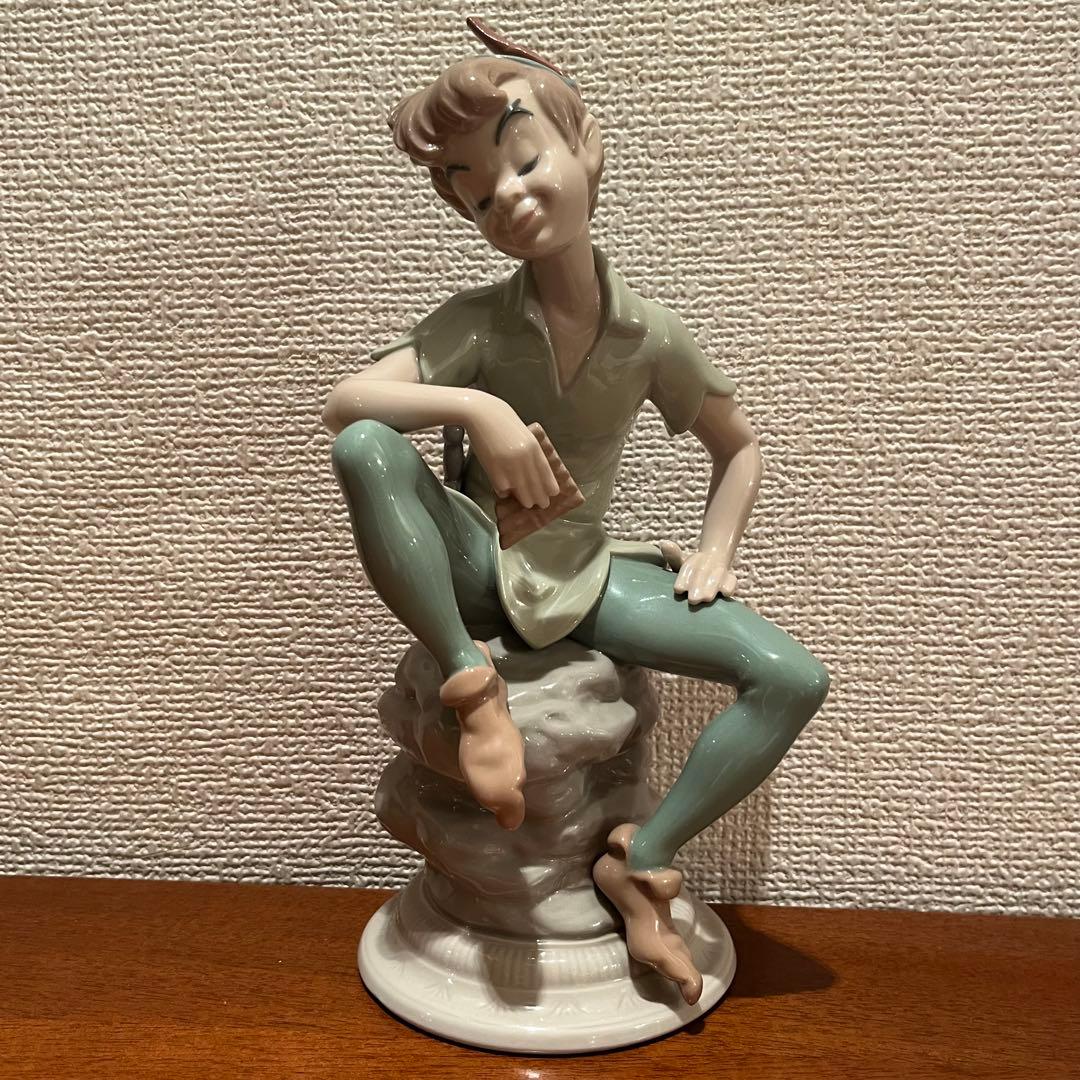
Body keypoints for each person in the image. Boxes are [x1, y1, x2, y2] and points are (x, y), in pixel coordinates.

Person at [323, 19, 829, 1004]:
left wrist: (716, 549)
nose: (509, 199)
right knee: (366, 448)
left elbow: (739, 445)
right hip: (478, 565)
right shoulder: (478, 324)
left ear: (584, 147)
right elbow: (347, 404)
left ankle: (646, 860)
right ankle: (473, 691)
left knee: (789, 677)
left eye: (523, 161)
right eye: (479, 196)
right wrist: (477, 408)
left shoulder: (651, 337)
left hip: (586, 573)